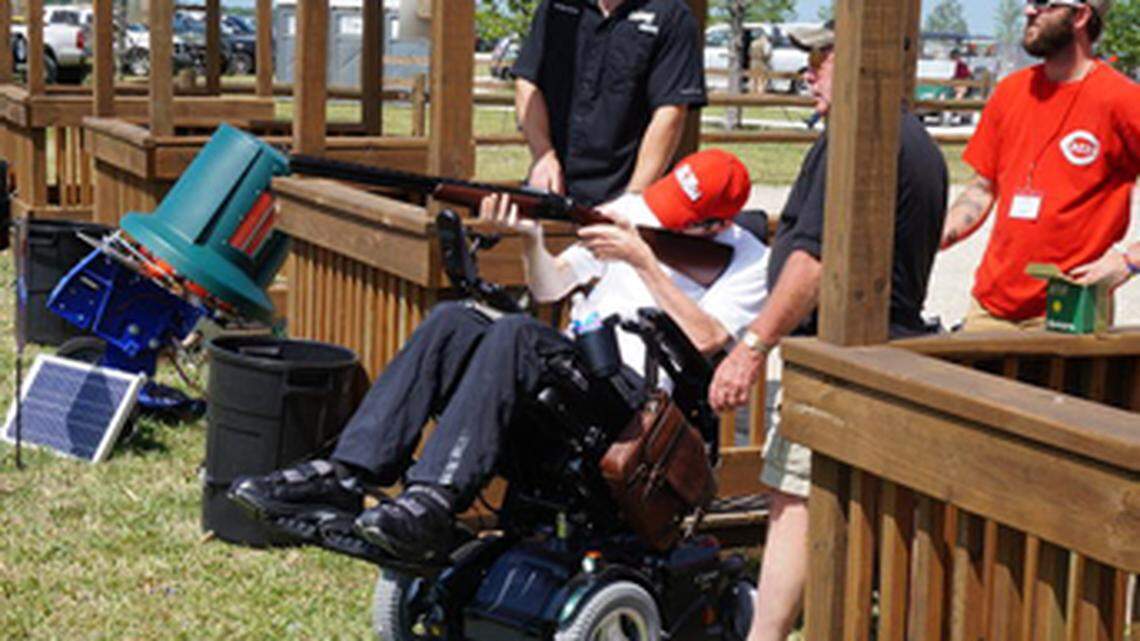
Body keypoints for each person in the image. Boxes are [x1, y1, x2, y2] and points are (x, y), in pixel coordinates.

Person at [230, 149, 769, 562]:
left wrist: (643, 261)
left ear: (717, 226)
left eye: (679, 218)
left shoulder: (750, 263)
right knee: (452, 319)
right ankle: (347, 473)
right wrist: (531, 236)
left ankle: (435, 500)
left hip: (635, 404)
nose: (660, 218)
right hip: (579, 369)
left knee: (516, 335)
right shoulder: (637, 212)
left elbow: (706, 339)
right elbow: (552, 285)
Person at [706, 22, 948, 641]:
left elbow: (814, 263)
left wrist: (752, 346)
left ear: (870, 62)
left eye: (822, 59)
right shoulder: (914, 140)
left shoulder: (858, 140)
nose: (808, 73)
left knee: (793, 506)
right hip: (889, 357)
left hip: (839, 360)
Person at [940, 0, 1140, 331]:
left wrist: (1129, 260)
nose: (1028, 11)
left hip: (1072, 310)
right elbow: (980, 189)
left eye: (1042, 3)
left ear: (1080, 15)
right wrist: (930, 239)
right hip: (990, 308)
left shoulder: (1120, 99)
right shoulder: (1010, 92)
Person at [511, 0, 707, 206]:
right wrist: (543, 154)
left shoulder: (672, 15)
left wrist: (633, 198)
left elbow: (670, 112)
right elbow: (527, 81)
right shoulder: (556, 7)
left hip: (623, 192)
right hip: (553, 186)